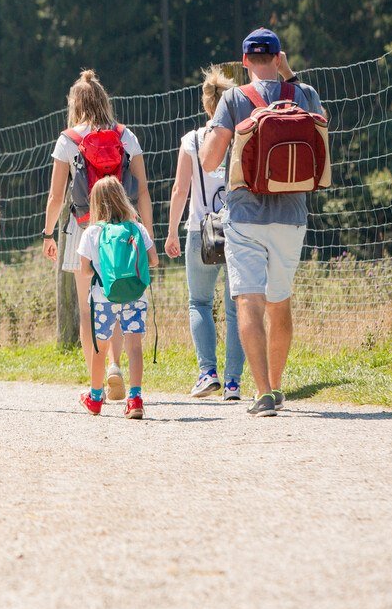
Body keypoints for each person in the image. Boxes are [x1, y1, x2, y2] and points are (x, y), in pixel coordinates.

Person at [199, 28, 325, 417]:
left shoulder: (235, 98)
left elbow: (209, 160)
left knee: (248, 301)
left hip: (245, 215)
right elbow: (324, 126)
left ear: (244, 62)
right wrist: (289, 76)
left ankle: (263, 392)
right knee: (279, 302)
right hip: (291, 216)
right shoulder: (304, 94)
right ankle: (278, 383)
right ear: (278, 57)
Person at [42, 70, 153, 401]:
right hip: (123, 231)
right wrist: (145, 233)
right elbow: (143, 191)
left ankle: (96, 384)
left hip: (84, 229)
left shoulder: (69, 140)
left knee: (89, 308)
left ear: (74, 103)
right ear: (105, 100)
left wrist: (48, 233)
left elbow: (56, 197)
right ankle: (115, 366)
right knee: (119, 296)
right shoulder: (125, 136)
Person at [164, 68, 246, 401]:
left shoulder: (192, 140)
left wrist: (171, 231)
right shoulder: (241, 136)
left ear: (205, 103)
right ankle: (233, 383)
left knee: (199, 302)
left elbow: (179, 189)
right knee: (236, 307)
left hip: (200, 230)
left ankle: (207, 372)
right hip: (239, 229)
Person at [76, 177, 158, 419]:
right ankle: (135, 399)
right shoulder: (137, 228)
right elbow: (153, 260)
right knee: (134, 345)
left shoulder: (92, 232)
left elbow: (85, 270)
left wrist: (102, 271)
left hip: (104, 298)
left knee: (100, 348)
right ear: (123, 197)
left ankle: (94, 397)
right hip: (135, 295)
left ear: (95, 203)